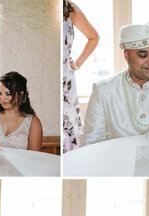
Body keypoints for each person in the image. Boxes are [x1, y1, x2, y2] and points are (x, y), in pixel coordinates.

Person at [81, 22, 149, 146]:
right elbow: (91, 143)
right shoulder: (104, 91)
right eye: (143, 55)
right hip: (115, 164)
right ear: (126, 55)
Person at [63, 0, 98, 152]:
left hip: (66, 79)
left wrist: (78, 62)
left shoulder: (69, 9)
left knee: (68, 124)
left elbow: (94, 37)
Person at [0, 71, 43, 151]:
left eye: (8, 94)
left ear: (21, 94)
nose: (2, 98)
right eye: (0, 93)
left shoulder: (33, 122)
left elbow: (34, 159)